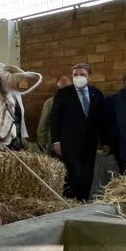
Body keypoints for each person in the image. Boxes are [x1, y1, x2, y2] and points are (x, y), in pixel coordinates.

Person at [50, 63, 108, 201]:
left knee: (87, 174)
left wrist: (105, 141)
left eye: (82, 74)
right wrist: (56, 141)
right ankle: (70, 202)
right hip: (69, 142)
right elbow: (55, 119)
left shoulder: (96, 94)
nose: (78, 77)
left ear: (89, 77)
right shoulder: (63, 93)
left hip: (89, 142)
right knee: (73, 173)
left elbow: (102, 120)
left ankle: (83, 201)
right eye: (75, 75)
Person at [105, 71, 126, 173]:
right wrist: (107, 143)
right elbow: (107, 123)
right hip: (121, 146)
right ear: (124, 84)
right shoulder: (112, 101)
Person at [37, 76, 72, 154]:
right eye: (62, 87)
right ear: (58, 88)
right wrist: (42, 143)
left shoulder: (75, 102)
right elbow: (43, 125)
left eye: (67, 87)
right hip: (55, 146)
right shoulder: (50, 103)